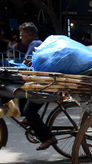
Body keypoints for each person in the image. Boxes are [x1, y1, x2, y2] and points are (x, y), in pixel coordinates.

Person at [19, 22, 57, 150]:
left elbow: (26, 63)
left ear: (29, 35)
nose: (20, 37)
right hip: (46, 82)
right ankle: (29, 120)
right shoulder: (39, 43)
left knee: (30, 111)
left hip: (46, 85)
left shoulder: (34, 44)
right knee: (21, 92)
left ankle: (48, 137)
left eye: (22, 35)